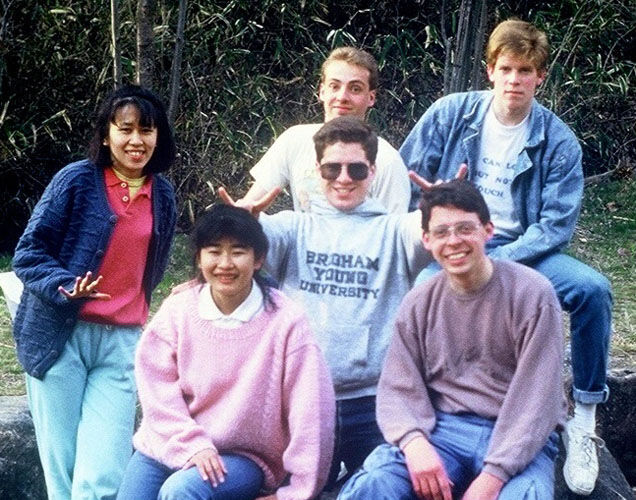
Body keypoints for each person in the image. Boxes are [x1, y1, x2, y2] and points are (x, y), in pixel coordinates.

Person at [400, 19, 612, 495]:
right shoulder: (450, 114)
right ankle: (424, 412)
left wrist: (501, 262)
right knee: (417, 292)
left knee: (593, 290)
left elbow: (556, 225)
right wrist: (428, 207)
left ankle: (583, 416)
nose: (514, 80)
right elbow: (402, 176)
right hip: (456, 242)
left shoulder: (559, 140)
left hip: (525, 252)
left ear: (541, 76)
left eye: (526, 71)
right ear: (489, 70)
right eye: (507, 69)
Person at [220, 116, 431, 489]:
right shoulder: (291, 228)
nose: (344, 178)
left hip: (375, 404)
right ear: (317, 170)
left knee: (390, 488)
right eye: (332, 168)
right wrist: (241, 223)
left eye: (356, 169)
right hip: (304, 400)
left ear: (373, 171)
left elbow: (440, 233)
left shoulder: (397, 230)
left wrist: (443, 206)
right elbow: (228, 257)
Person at [338, 180, 567, 500]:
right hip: (444, 430)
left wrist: (493, 476)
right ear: (427, 241)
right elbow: (397, 387)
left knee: (525, 495)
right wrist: (414, 444)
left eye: (465, 228)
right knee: (374, 483)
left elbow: (538, 399)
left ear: (488, 230)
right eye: (442, 232)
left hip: (518, 434)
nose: (454, 241)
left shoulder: (532, 294)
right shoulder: (419, 302)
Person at [12, 85, 177, 499]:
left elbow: (151, 270)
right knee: (63, 470)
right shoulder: (76, 180)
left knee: (105, 473)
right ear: (106, 134)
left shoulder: (165, 195)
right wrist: (65, 286)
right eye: (125, 129)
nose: (136, 140)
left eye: (147, 130)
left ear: (159, 138)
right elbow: (28, 253)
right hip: (60, 336)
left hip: (121, 344)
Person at [116, 205, 335, 500]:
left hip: (242, 455)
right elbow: (156, 387)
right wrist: (194, 445)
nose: (225, 264)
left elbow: (311, 413)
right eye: (214, 251)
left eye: (239, 251)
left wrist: (298, 491)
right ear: (199, 257)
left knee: (181, 491)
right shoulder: (179, 310)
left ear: (258, 259)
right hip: (169, 442)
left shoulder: (287, 322)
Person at [243, 46, 410, 213]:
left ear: (371, 97)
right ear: (322, 91)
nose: (342, 97)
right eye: (334, 86)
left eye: (355, 89)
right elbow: (249, 206)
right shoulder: (294, 140)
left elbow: (394, 232)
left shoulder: (387, 161)